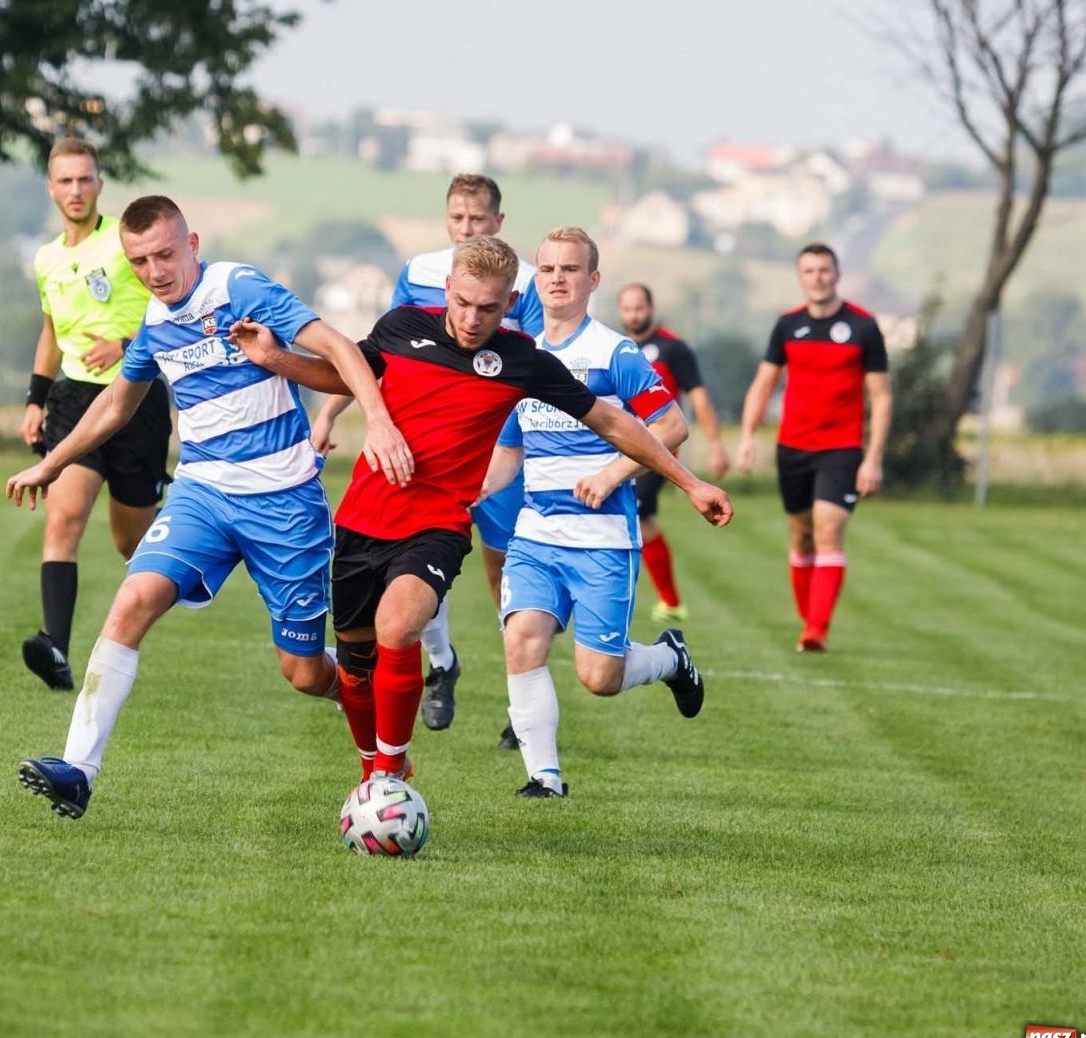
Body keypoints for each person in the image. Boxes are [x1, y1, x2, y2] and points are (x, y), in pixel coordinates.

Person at [228, 235, 732, 788]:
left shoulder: (522, 362)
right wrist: (274, 359)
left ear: (511, 302)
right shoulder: (401, 326)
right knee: (354, 668)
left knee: (397, 628)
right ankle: (374, 767)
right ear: (448, 289)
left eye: (488, 307)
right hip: (362, 519)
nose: (472, 318)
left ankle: (389, 781)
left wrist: (688, 482)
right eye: (463, 303)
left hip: (437, 525)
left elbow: (613, 423)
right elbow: (348, 374)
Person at [6, 195, 413, 819]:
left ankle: (355, 706)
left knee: (303, 672)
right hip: (203, 492)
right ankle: (78, 770)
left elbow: (339, 346)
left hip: (284, 501)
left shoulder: (238, 288)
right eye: (139, 261)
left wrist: (379, 423)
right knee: (132, 601)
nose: (155, 271)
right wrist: (53, 461)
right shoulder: (154, 322)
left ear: (192, 243)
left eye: (165, 254)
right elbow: (117, 403)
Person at [309, 174, 543, 735]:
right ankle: (441, 666)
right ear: (447, 219)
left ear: (498, 224)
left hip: (497, 445)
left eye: (478, 220)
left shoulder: (526, 285)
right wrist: (328, 414)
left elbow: (538, 367)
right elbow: (379, 358)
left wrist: (513, 449)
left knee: (500, 573)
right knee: (404, 586)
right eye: (458, 219)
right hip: (417, 453)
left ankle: (523, 707)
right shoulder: (419, 273)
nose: (467, 229)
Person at [483, 231, 710, 798]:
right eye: (548, 268)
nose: (557, 277)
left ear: (593, 280)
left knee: (599, 677)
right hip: (536, 534)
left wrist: (612, 472)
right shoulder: (522, 357)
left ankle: (669, 659)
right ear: (535, 280)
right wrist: (468, 492)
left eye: (570, 269)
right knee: (522, 641)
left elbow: (672, 426)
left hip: (603, 538)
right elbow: (509, 449)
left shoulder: (615, 353)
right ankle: (545, 777)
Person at [19, 138, 173, 691]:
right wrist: (36, 398)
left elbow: (170, 303)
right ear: (52, 188)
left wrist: (127, 341)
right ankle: (55, 647)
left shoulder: (123, 244)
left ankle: (196, 531)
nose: (76, 190)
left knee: (132, 543)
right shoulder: (47, 258)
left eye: (85, 179)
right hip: (75, 400)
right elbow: (50, 332)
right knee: (63, 519)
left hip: (136, 402)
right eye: (66, 181)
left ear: (100, 184)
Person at [736, 242, 891, 652]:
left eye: (824, 270)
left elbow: (882, 396)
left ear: (837, 275)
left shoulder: (863, 327)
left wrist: (873, 458)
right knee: (801, 537)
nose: (817, 278)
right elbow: (763, 383)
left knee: (828, 528)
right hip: (793, 448)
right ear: (800, 277)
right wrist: (748, 437)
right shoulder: (787, 326)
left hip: (841, 449)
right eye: (809, 271)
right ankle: (810, 622)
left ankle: (816, 630)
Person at [616, 282, 729, 624]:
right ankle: (669, 601)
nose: (635, 315)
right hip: (621, 449)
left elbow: (699, 398)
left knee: (636, 516)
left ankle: (664, 600)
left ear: (651, 308)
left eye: (640, 308)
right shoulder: (615, 349)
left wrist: (716, 445)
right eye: (628, 309)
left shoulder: (673, 348)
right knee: (639, 519)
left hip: (661, 452)